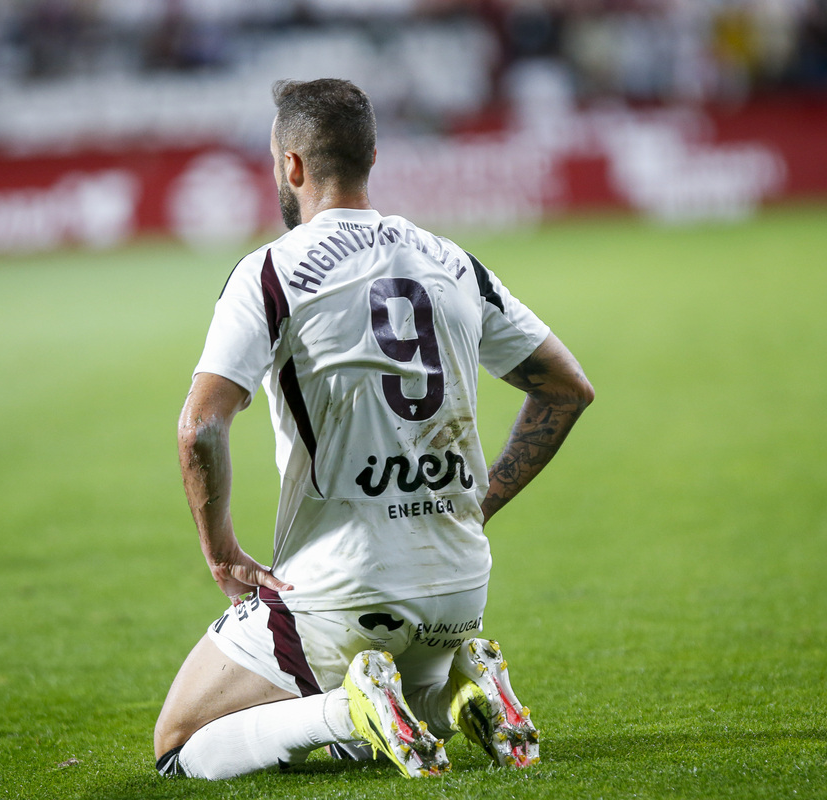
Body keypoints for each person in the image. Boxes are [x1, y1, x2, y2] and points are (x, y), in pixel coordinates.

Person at [153, 78, 593, 780]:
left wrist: (221, 550)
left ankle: (347, 708)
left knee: (179, 745)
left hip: (342, 593)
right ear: (372, 158)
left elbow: (201, 426)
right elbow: (566, 388)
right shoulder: (452, 260)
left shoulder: (271, 271)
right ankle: (459, 689)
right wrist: (478, 504)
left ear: (291, 166)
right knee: (379, 729)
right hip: (457, 592)